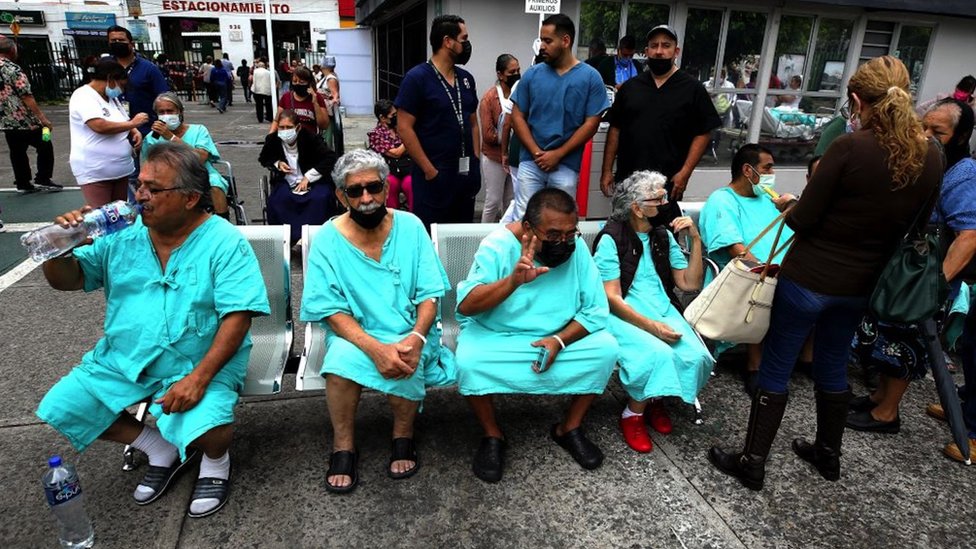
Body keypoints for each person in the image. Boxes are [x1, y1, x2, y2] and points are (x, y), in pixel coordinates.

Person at [708, 55, 945, 491]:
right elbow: (919, 221)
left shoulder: (850, 147)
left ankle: (753, 461)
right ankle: (827, 454)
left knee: (778, 365)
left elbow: (802, 221)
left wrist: (790, 205)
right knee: (833, 363)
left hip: (811, 277)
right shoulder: (930, 155)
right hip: (862, 283)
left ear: (856, 99)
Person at [35, 142, 270, 518]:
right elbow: (68, 280)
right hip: (127, 356)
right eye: (138, 185)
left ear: (191, 198)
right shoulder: (121, 236)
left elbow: (238, 316)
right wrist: (61, 247)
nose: (140, 196)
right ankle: (157, 447)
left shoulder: (223, 241)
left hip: (199, 359)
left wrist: (198, 378)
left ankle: (215, 460)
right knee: (68, 405)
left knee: (209, 426)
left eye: (152, 189)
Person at [300, 149, 456, 493]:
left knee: (404, 354)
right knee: (339, 361)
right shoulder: (328, 239)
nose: (366, 198)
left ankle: (403, 436)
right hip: (355, 336)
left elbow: (430, 294)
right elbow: (330, 311)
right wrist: (374, 348)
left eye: (373, 187)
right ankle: (343, 446)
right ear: (341, 196)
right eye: (355, 191)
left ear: (387, 188)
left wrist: (416, 337)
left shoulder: (411, 226)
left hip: (409, 331)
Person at [455, 188, 619, 482]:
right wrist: (513, 282)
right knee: (469, 360)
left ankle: (569, 427)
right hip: (500, 336)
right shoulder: (497, 246)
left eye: (570, 234)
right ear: (528, 228)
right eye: (554, 235)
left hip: (559, 337)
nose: (563, 242)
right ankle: (493, 435)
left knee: (606, 350)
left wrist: (559, 340)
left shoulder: (576, 247)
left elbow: (595, 309)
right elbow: (467, 306)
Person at [847, 98, 976, 441]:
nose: (927, 135)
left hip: (926, 279)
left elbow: (969, 236)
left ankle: (886, 412)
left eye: (939, 131)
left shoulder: (963, 175)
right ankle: (877, 398)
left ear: (962, 136)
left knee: (906, 342)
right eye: (923, 127)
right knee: (887, 335)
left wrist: (935, 288)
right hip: (906, 271)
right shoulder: (929, 160)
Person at [594, 171, 712, 452]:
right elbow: (611, 298)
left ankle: (657, 397)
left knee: (697, 355)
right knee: (656, 353)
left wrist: (695, 240)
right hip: (623, 313)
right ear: (637, 207)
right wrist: (652, 327)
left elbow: (689, 283)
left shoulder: (663, 236)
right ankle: (633, 413)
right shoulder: (612, 238)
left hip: (662, 308)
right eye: (659, 198)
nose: (666, 203)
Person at [698, 144, 799, 394]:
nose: (772, 172)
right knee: (766, 287)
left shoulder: (767, 197)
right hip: (746, 272)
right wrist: (767, 271)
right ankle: (755, 364)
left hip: (785, 268)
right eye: (767, 167)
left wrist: (792, 206)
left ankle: (801, 357)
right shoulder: (721, 200)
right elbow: (737, 250)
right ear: (748, 170)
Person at [600, 25, 721, 227]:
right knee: (624, 237)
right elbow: (615, 129)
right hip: (629, 182)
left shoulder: (692, 89)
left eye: (666, 45)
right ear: (646, 51)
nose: (659, 51)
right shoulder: (631, 88)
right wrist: (606, 171)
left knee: (663, 240)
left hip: (667, 186)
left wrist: (685, 173)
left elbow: (703, 132)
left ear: (676, 51)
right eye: (654, 46)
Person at [510, 13, 609, 221]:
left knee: (561, 220)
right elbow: (517, 116)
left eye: (547, 41)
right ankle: (524, 255)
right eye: (541, 41)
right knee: (524, 218)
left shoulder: (590, 78)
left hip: (566, 164)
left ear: (565, 41)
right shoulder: (532, 75)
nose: (542, 47)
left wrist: (559, 153)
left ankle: (554, 254)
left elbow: (591, 123)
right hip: (530, 161)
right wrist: (537, 152)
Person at [396, 14, 481, 229]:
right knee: (432, 236)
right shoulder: (417, 78)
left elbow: (473, 122)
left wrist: (476, 159)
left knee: (460, 236)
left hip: (465, 174)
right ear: (447, 41)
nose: (467, 44)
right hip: (434, 176)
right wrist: (429, 170)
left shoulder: (466, 79)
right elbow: (404, 128)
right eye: (464, 38)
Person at [69, 59, 147, 207]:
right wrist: (133, 124)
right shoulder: (83, 96)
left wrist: (133, 130)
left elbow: (122, 118)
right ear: (110, 79)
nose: (121, 90)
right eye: (121, 85)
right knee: (102, 217)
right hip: (96, 170)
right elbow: (99, 125)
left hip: (120, 168)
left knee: (120, 215)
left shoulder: (111, 98)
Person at [142, 92, 231, 218]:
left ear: (180, 111)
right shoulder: (152, 138)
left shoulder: (199, 130)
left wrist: (171, 138)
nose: (166, 115)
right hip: (169, 177)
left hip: (200, 173)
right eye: (162, 112)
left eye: (170, 111)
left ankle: (223, 223)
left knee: (215, 184)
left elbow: (201, 157)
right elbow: (148, 166)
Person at [259, 109, 338, 244]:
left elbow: (330, 158)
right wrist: (278, 163)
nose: (285, 131)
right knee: (279, 199)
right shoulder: (272, 140)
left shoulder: (311, 138)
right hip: (286, 180)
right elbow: (264, 158)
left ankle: (314, 238)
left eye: (289, 127)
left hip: (314, 180)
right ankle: (287, 238)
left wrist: (308, 177)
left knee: (320, 198)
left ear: (298, 127)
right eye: (281, 127)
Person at [0, 35, 61, 193]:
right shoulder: (13, 69)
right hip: (27, 121)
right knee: (46, 143)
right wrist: (43, 118)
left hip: (7, 122)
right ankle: (43, 177)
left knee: (17, 152)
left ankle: (23, 182)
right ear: (12, 50)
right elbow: (26, 95)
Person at [479, 54, 520, 222]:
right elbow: (488, 135)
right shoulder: (489, 99)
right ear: (500, 74)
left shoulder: (519, 93)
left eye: (518, 70)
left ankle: (505, 236)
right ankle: (482, 236)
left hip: (513, 158)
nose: (517, 74)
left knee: (511, 202)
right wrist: (511, 135)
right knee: (493, 202)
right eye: (512, 71)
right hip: (494, 158)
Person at [107, 25, 168, 135]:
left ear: (131, 43)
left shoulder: (149, 68)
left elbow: (164, 100)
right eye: (113, 40)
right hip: (114, 130)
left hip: (145, 129)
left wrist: (158, 132)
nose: (117, 43)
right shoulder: (105, 68)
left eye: (121, 40)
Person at [368, 99, 413, 211]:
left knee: (411, 184)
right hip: (389, 169)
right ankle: (392, 218)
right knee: (390, 185)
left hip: (407, 167)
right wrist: (410, 140)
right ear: (382, 118)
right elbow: (395, 153)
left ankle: (415, 217)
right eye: (393, 115)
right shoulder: (376, 134)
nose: (396, 117)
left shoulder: (401, 128)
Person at [269, 66, 329, 137]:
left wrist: (315, 103)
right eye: (294, 81)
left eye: (301, 82)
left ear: (309, 83)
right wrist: (270, 137)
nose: (297, 84)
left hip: (310, 140)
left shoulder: (317, 97)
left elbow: (324, 125)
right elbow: (276, 120)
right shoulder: (286, 97)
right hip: (289, 139)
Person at [319, 56, 344, 155]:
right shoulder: (327, 77)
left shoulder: (330, 78)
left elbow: (335, 95)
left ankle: (327, 156)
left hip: (327, 112)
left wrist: (332, 100)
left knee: (327, 136)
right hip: (325, 110)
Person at [252, 58, 274, 123]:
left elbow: (254, 81)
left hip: (258, 90)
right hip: (267, 89)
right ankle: (270, 117)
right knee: (268, 105)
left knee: (259, 105)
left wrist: (254, 89)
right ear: (264, 66)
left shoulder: (255, 71)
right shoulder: (268, 72)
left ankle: (260, 118)